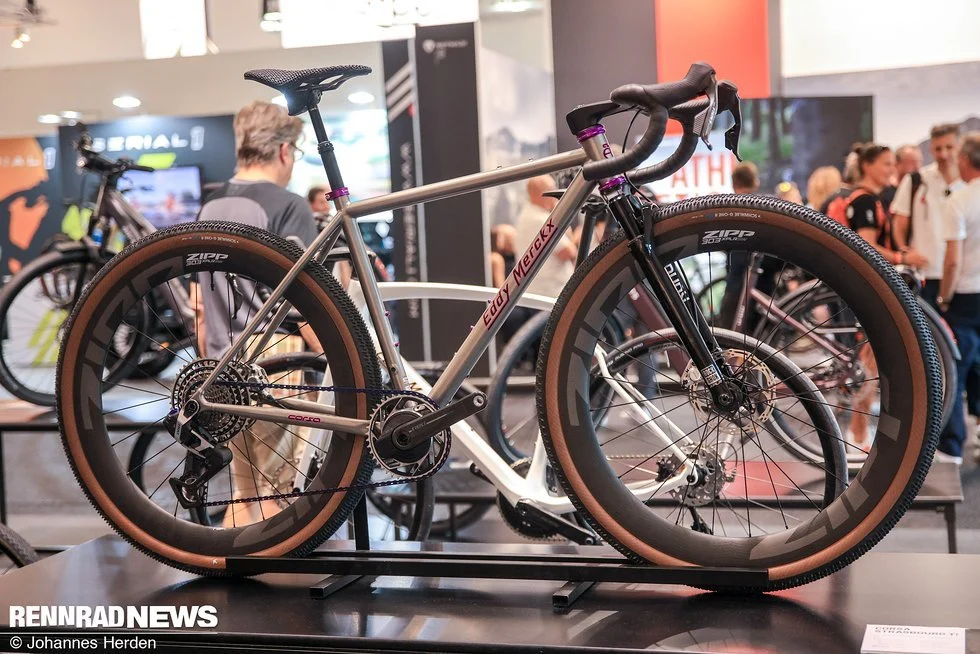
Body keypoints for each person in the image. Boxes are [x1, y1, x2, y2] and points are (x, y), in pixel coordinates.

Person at [195, 100, 318, 525]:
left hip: (221, 365)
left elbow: (200, 305)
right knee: (277, 498)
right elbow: (307, 303)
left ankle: (232, 564)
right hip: (276, 359)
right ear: (284, 151)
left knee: (245, 495)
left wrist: (209, 367)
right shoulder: (289, 206)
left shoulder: (210, 207)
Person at [936, 132, 980, 465]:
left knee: (954, 369)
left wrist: (944, 297)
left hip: (965, 296)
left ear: (964, 160)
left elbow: (952, 261)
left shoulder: (960, 201)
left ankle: (952, 449)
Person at [890, 124, 965, 307]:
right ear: (931, 149)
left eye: (949, 147)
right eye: (938, 149)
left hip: (963, 277)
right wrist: (905, 252)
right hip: (926, 274)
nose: (943, 154)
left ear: (959, 147)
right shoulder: (917, 180)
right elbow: (899, 223)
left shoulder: (970, 183)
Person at [514, 175, 577, 298]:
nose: (556, 195)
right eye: (552, 189)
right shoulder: (541, 220)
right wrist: (563, 215)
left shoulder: (526, 215)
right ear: (540, 194)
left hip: (538, 290)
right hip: (551, 292)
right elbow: (569, 252)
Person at [717, 162, 762, 328]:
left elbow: (722, 242)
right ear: (755, 182)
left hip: (736, 281)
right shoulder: (766, 207)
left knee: (730, 332)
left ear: (734, 184)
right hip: (764, 284)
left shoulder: (729, 209)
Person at [881, 144, 923, 209]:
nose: (917, 167)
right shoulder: (884, 193)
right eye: (912, 162)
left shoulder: (923, 190)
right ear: (897, 164)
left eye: (919, 161)